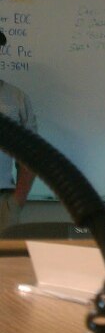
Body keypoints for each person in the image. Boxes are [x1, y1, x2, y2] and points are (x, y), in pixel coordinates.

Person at [0, 32, 38, 232]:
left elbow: (31, 153)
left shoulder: (17, 99)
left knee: (5, 262)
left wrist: (18, 199)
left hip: (3, 202)